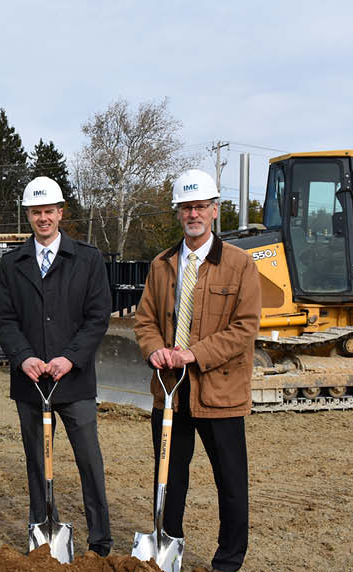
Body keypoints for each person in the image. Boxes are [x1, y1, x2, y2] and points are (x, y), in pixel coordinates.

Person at [133, 168, 261, 572]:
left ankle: (228, 560)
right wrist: (155, 350)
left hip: (220, 392)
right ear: (178, 213)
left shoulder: (240, 265)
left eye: (200, 206)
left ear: (214, 210)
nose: (193, 213)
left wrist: (193, 354)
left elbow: (245, 328)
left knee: (231, 484)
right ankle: (168, 546)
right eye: (186, 207)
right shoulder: (162, 264)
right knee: (169, 479)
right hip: (170, 391)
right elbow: (145, 320)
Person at [0, 177, 114, 556]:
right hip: (30, 382)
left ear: (61, 213)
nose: (43, 218)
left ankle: (100, 539)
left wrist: (70, 357)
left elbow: (98, 316)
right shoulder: (13, 264)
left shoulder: (88, 259)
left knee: (89, 460)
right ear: (28, 215)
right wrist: (24, 356)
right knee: (36, 460)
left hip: (74, 381)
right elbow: (4, 318)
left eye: (49, 211)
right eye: (36, 212)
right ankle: (44, 528)